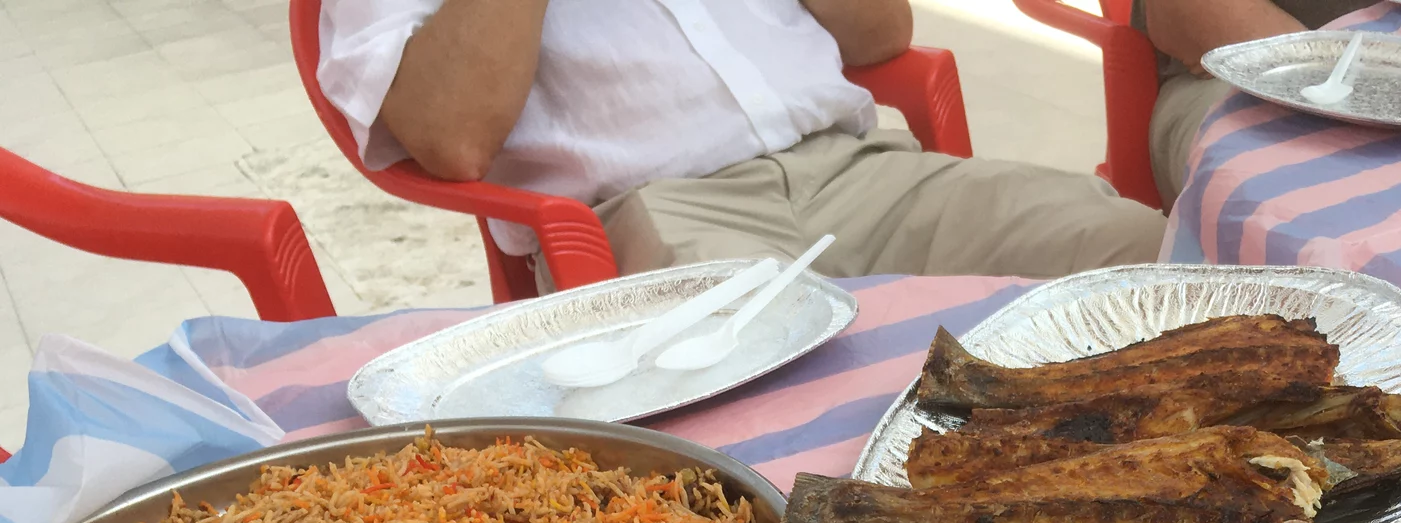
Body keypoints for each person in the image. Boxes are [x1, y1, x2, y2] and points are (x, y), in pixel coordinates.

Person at [317, 0, 1169, 283]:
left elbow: (881, 31)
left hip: (857, 170)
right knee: (781, 389)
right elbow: (452, 137)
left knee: (1147, 256)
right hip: (651, 215)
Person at [1137, 0, 1358, 206]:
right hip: (1224, 68)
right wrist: (1323, 70)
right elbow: (1188, 9)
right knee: (1293, 198)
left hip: (1358, 66)